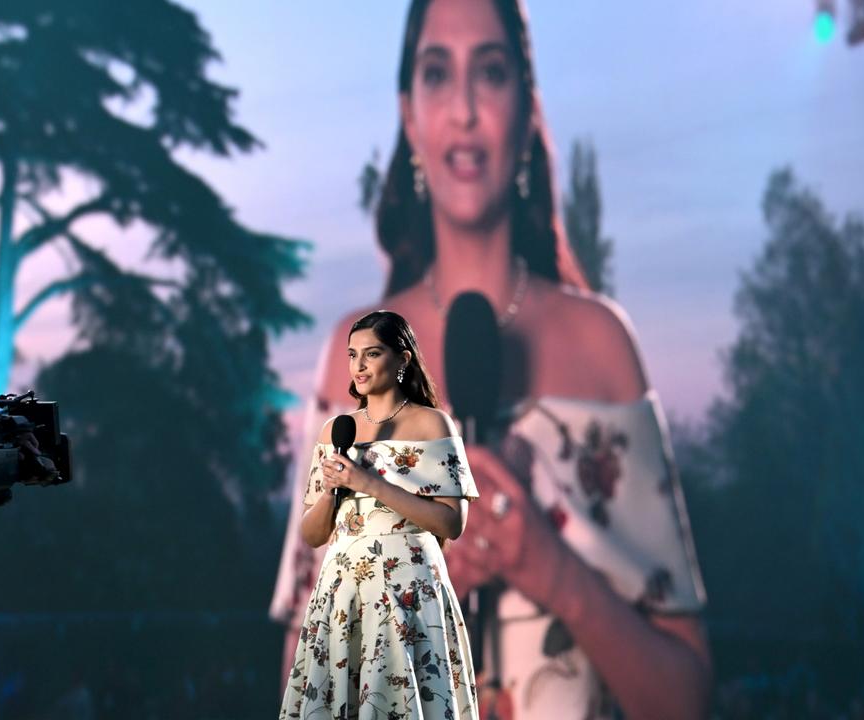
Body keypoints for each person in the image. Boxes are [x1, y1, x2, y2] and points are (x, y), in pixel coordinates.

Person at [273, 1, 711, 718]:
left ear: (527, 108)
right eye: (438, 75)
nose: (467, 110)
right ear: (409, 114)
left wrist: (550, 567)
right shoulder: (350, 363)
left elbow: (687, 700)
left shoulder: (603, 349)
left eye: (493, 72)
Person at [279, 310, 479, 719]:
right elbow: (312, 534)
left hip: (410, 590)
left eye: (371, 354)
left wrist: (372, 484)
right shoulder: (335, 430)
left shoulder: (433, 423)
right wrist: (334, 490)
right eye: (353, 356)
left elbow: (451, 524)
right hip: (345, 592)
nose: (359, 366)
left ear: (403, 359)